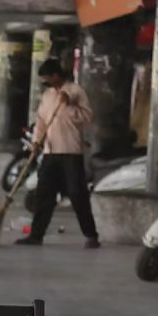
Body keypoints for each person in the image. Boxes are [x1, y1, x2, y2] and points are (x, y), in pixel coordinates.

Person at [16, 59, 100, 249]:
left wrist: (69, 105)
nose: (46, 82)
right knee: (44, 194)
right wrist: (37, 141)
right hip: (50, 152)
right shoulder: (47, 95)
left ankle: (91, 235)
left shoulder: (75, 91)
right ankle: (36, 235)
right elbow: (41, 121)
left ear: (56, 75)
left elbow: (87, 117)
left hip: (70, 152)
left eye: (47, 78)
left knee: (77, 194)